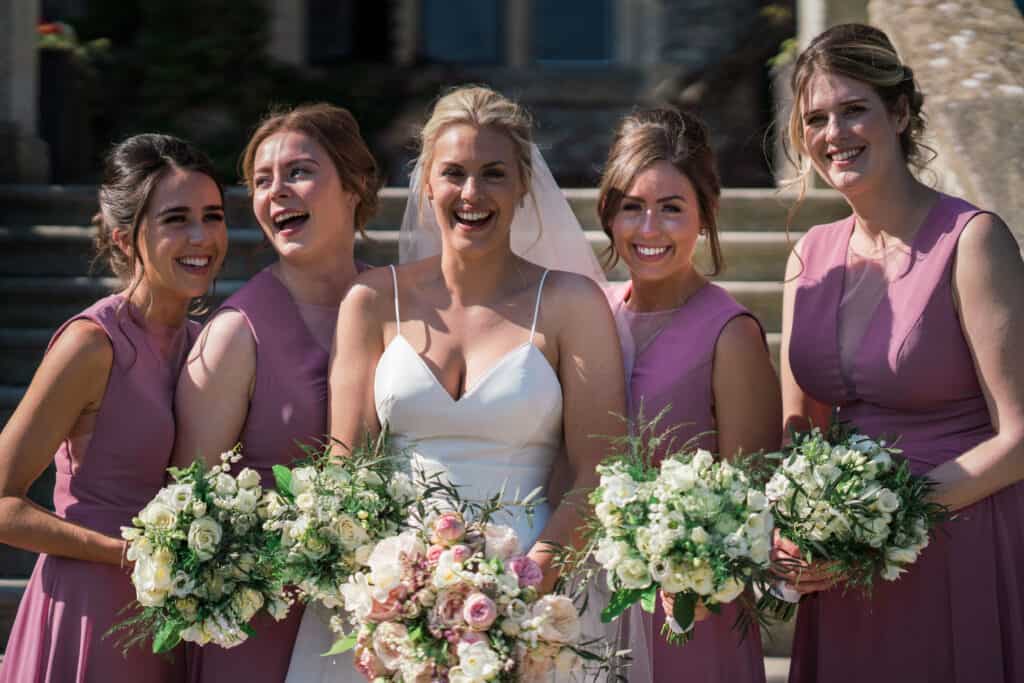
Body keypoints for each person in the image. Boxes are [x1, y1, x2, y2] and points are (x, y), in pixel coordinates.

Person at [286, 85, 626, 682]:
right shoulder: (370, 302)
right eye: (454, 174)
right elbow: (345, 467)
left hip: (531, 590)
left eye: (493, 174)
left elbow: (598, 467)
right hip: (392, 595)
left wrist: (526, 583)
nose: (472, 194)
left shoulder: (572, 304)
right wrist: (393, 594)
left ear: (523, 186)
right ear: (425, 185)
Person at [776, 23, 1024, 683]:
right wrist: (797, 523)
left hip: (956, 548)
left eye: (854, 109)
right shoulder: (809, 256)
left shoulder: (973, 241)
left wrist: (883, 518)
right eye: (816, 118)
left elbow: (1020, 436)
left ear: (901, 112)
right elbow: (799, 427)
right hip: (845, 571)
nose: (834, 133)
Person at [0, 134, 227, 682]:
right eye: (176, 219)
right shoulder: (91, 344)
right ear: (126, 239)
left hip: (174, 623)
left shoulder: (208, 346)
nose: (202, 237)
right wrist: (121, 555)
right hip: (87, 613)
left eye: (213, 215)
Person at [172, 103, 380, 683]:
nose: (276, 192)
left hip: (379, 620)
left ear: (355, 185)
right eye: (262, 181)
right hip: (262, 627)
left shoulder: (398, 307)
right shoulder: (235, 333)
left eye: (299, 172)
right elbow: (192, 508)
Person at [600, 107, 780, 682]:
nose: (649, 229)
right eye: (632, 207)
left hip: (690, 609)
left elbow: (750, 500)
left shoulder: (730, 332)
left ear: (705, 215)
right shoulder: (590, 314)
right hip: (590, 607)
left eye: (672, 209)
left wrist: (689, 577)